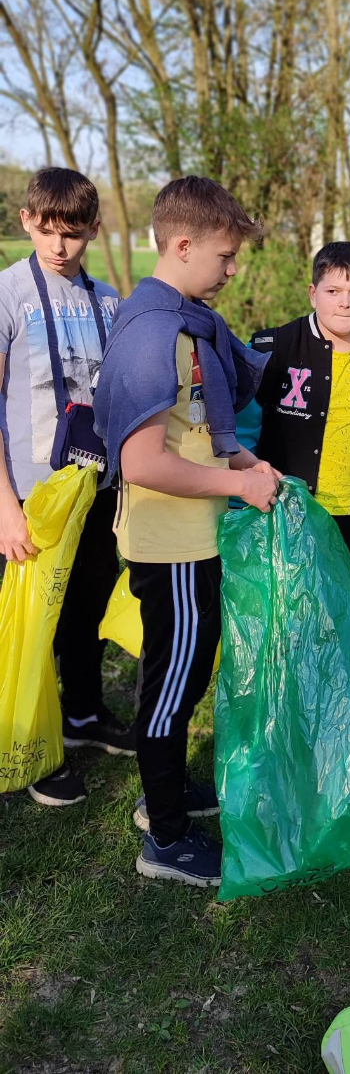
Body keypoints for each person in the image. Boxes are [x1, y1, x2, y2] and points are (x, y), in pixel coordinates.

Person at [93, 176, 279, 887]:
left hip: (194, 535)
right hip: (173, 545)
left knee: (182, 673)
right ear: (182, 245)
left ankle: (161, 794)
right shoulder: (154, 335)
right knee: (172, 684)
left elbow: (191, 425)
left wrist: (243, 458)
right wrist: (237, 485)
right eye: (226, 256)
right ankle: (164, 840)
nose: (233, 270)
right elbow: (142, 460)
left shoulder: (184, 321)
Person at [0, 167, 134, 808]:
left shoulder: (109, 301)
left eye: (73, 234)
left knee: (85, 606)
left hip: (95, 487)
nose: (59, 247)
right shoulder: (7, 296)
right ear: (26, 220)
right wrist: (5, 508)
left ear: (93, 231)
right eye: (47, 231)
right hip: (29, 495)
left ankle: (82, 714)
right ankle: (31, 742)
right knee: (33, 620)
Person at [237, 241, 350, 571]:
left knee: (337, 609)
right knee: (289, 613)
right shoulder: (272, 349)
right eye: (333, 291)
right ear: (313, 293)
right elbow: (240, 436)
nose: (345, 303)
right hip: (286, 514)